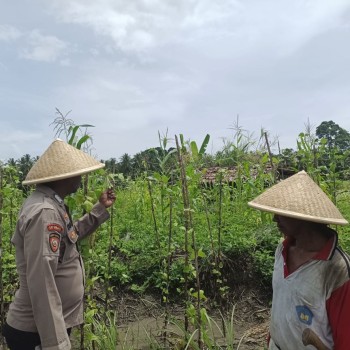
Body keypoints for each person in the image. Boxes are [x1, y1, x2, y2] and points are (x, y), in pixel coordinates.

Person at [2, 139, 116, 350]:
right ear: (64, 176)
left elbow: (69, 236)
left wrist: (99, 209)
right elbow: (41, 282)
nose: (82, 178)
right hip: (35, 334)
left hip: (41, 330)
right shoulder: (45, 212)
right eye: (78, 173)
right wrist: (55, 344)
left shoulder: (51, 204)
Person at [248, 170, 350, 350]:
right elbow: (282, 304)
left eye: (282, 213)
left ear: (303, 217)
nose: (274, 219)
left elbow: (345, 338)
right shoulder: (282, 251)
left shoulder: (337, 269)